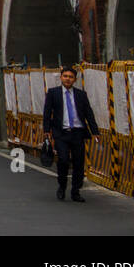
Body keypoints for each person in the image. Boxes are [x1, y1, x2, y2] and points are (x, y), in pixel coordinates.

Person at [43, 65, 100, 202]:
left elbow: (88, 113)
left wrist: (95, 131)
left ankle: (76, 191)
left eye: (71, 77)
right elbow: (47, 112)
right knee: (63, 159)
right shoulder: (53, 93)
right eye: (65, 76)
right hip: (61, 132)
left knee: (79, 162)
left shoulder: (81, 95)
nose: (68, 79)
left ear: (75, 79)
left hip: (78, 133)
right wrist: (46, 130)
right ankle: (62, 186)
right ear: (61, 78)